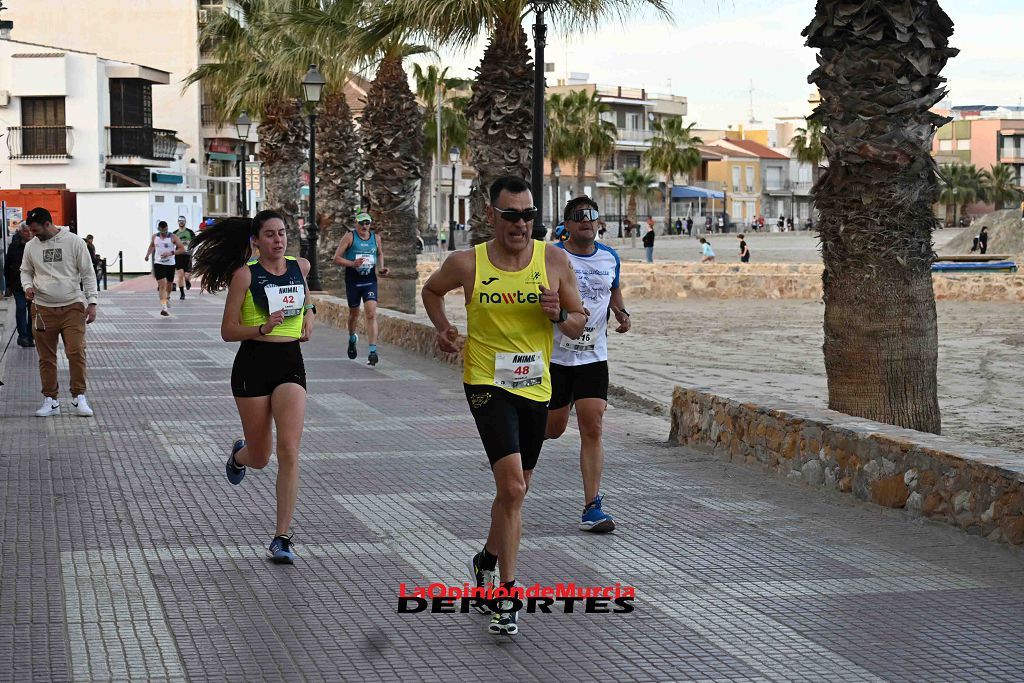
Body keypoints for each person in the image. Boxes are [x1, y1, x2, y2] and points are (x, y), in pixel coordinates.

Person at [421, 176, 586, 636]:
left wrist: (558, 315)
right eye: (511, 215)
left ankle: (486, 559)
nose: (521, 224)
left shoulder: (553, 260)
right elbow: (431, 291)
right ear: (491, 215)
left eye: (529, 215)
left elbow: (578, 323)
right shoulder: (465, 262)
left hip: (535, 386)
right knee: (512, 489)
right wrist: (443, 328)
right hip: (485, 384)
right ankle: (508, 597)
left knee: (516, 492)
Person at [191, 210, 315, 564]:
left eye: (283, 233)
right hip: (253, 364)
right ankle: (239, 455)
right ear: (256, 241)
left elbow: (308, 299)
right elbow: (228, 330)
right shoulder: (245, 276)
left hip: (290, 363)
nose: (279, 240)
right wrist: (261, 329)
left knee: (289, 450)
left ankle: (282, 537)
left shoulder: (300, 267)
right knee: (261, 457)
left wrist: (310, 315)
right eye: (271, 234)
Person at [545, 197, 630, 533]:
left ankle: (592, 506)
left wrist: (622, 313)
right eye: (579, 216)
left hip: (594, 355)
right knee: (553, 429)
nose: (586, 221)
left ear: (599, 222)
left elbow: (614, 290)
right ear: (566, 223)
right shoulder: (553, 255)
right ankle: (517, 458)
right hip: (556, 356)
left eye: (592, 215)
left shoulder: (610, 257)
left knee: (592, 426)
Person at [19, 207, 98, 417]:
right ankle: (51, 400)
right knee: (46, 357)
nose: (34, 235)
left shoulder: (74, 242)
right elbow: (25, 270)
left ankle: (79, 397)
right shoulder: (30, 247)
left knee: (76, 352)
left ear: (48, 224)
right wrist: (27, 286)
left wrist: (92, 302)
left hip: (72, 305)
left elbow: (88, 273)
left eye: (37, 231)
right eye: (31, 232)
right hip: (42, 308)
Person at [332, 210, 389, 366]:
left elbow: (380, 254)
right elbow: (335, 258)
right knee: (354, 314)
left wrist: (381, 268)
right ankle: (352, 338)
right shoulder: (350, 237)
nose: (365, 226)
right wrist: (352, 264)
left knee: (371, 313)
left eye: (367, 223)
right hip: (353, 281)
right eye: (362, 222)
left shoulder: (376, 238)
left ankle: (372, 351)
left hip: (370, 280)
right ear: (356, 223)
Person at [144, 220, 185, 316]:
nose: (164, 234)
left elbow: (182, 249)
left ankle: (168, 297)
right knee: (162, 286)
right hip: (158, 264)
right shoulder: (155, 237)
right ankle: (164, 308)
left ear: (167, 229)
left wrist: (170, 253)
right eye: (162, 232)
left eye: (165, 231)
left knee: (169, 285)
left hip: (170, 264)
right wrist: (147, 255)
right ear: (159, 229)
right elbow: (151, 246)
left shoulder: (173, 237)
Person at [5, 223, 34, 347]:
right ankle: (22, 336)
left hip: (34, 285)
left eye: (30, 231)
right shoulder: (14, 246)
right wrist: (8, 285)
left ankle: (30, 336)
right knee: (21, 308)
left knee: (32, 311)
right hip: (18, 284)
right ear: (21, 232)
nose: (29, 234)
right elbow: (7, 266)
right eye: (26, 231)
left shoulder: (36, 246)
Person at [173, 216, 196, 300]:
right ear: (177, 222)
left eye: (183, 221)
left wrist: (190, 244)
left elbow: (195, 241)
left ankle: (187, 281)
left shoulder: (189, 232)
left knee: (186, 276)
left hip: (187, 255)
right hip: (178, 256)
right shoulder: (175, 233)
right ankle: (182, 293)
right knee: (180, 275)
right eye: (180, 221)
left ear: (185, 222)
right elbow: (170, 243)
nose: (181, 222)